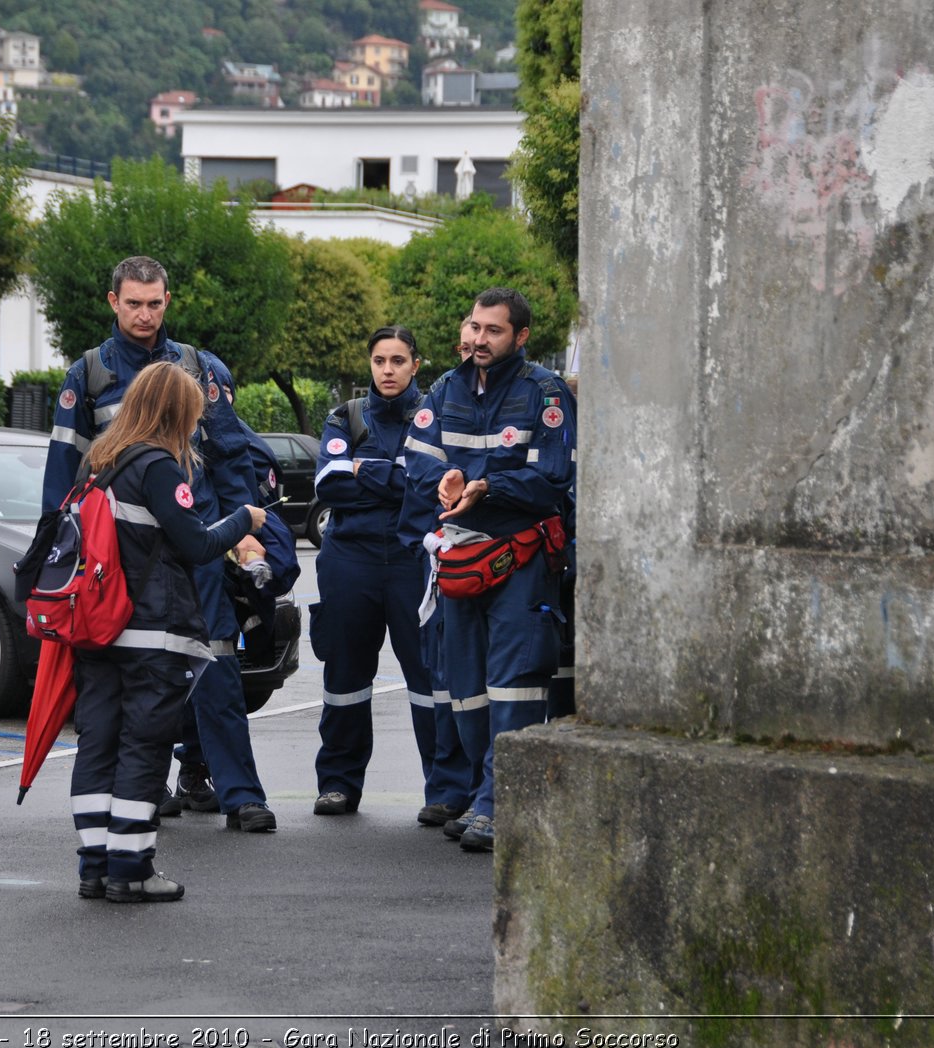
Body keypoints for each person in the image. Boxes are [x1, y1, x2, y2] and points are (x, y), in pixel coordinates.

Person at [43, 256, 278, 833]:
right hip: (117, 559)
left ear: (167, 301)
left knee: (217, 665)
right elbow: (63, 477)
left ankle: (240, 794)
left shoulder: (200, 368)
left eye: (154, 303)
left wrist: (246, 539)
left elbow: (230, 458)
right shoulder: (89, 375)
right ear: (113, 302)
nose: (144, 314)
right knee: (131, 675)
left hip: (193, 546)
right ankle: (144, 791)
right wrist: (57, 558)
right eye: (133, 303)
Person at [67, 361, 268, 902]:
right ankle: (131, 869)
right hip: (150, 632)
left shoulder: (98, 461)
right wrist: (243, 520)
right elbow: (196, 543)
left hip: (97, 631)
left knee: (98, 745)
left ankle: (94, 866)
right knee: (144, 747)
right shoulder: (158, 465)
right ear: (176, 412)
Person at [400, 288, 577, 854]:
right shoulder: (445, 389)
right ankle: (485, 792)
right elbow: (418, 464)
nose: (478, 339)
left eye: (493, 331)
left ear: (520, 337)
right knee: (465, 690)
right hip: (458, 556)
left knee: (515, 685)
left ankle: (502, 805)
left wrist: (487, 486)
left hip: (520, 558)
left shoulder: (545, 393)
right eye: (474, 326)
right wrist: (445, 484)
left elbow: (554, 478)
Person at [310, 326, 470, 822]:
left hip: (412, 559)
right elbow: (330, 487)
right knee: (345, 678)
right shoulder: (345, 416)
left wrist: (365, 469)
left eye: (398, 360)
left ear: (416, 365)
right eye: (379, 360)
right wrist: (395, 476)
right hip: (348, 559)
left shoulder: (436, 415)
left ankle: (444, 790)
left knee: (429, 679)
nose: (387, 370)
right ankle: (338, 784)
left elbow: (426, 489)